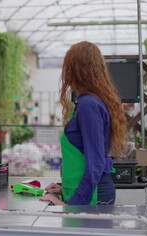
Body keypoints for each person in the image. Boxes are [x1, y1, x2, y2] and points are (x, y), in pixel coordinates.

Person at [39, 41, 127, 206]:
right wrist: (62, 187)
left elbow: (96, 163)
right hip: (84, 191)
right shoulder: (86, 103)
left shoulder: (89, 105)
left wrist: (73, 205)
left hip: (92, 196)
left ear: (74, 70)